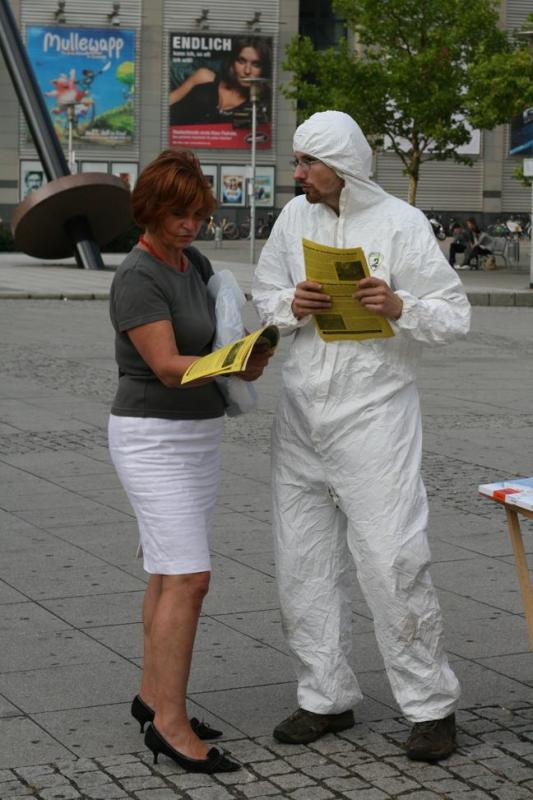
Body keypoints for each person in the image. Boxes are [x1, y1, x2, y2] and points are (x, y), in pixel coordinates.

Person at [252, 111, 471, 763]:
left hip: (375, 419)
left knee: (391, 562)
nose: (296, 174)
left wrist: (398, 307)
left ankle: (430, 707)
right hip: (300, 421)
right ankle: (324, 696)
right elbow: (262, 294)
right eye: (295, 161)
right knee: (303, 566)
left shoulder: (402, 225)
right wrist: (292, 304)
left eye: (306, 163)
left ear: (341, 165)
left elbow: (454, 314)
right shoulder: (293, 221)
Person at [108, 149, 271, 773]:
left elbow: (209, 346)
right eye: (177, 213)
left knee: (166, 570)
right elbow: (169, 368)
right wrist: (230, 363)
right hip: (151, 436)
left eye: (197, 213)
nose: (189, 225)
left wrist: (248, 358)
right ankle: (170, 726)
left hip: (197, 438)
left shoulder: (192, 262)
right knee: (190, 578)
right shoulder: (138, 276)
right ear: (149, 210)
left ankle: (152, 698)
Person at [169, 37, 271, 126]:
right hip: (170, 139)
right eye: (241, 61)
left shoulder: (257, 105)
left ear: (263, 69)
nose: (247, 71)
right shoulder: (204, 77)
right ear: (232, 63)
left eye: (256, 64)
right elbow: (167, 102)